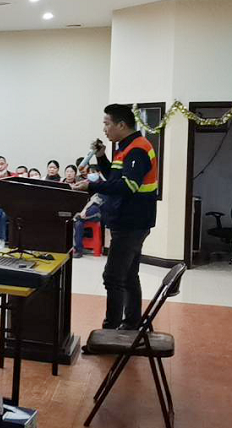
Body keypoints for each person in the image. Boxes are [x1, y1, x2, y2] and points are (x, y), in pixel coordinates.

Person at [74, 104, 157, 331]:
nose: (104, 129)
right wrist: (101, 157)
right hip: (129, 220)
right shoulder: (125, 147)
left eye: (107, 123)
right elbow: (114, 178)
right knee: (128, 275)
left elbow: (128, 186)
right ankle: (131, 323)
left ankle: (110, 332)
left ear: (121, 125)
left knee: (112, 277)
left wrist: (91, 186)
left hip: (132, 222)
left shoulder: (138, 149)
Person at [73, 166, 105, 258]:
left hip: (98, 212)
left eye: (93, 172)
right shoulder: (87, 183)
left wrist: (84, 211)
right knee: (78, 223)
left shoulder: (103, 185)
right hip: (86, 212)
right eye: (89, 173)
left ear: (99, 173)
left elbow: (95, 201)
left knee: (92, 209)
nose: (91, 175)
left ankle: (77, 217)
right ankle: (78, 250)